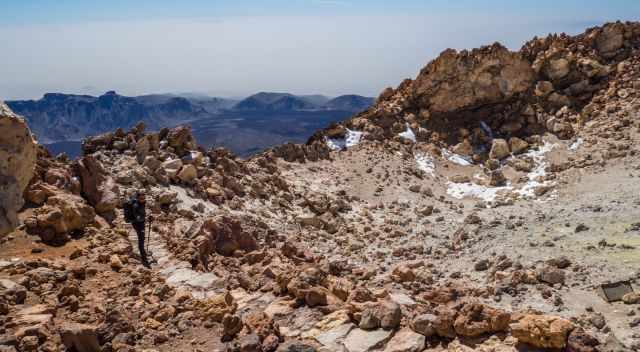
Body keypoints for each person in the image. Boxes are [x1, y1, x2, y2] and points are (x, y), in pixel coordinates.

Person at [127, 192, 152, 268]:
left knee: (142, 239)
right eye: (141, 198)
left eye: (144, 198)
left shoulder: (142, 203)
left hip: (141, 223)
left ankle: (143, 253)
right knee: (141, 240)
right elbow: (138, 218)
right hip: (137, 224)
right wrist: (147, 218)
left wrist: (146, 217)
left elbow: (142, 214)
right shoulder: (136, 206)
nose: (143, 199)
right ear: (138, 198)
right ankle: (144, 258)